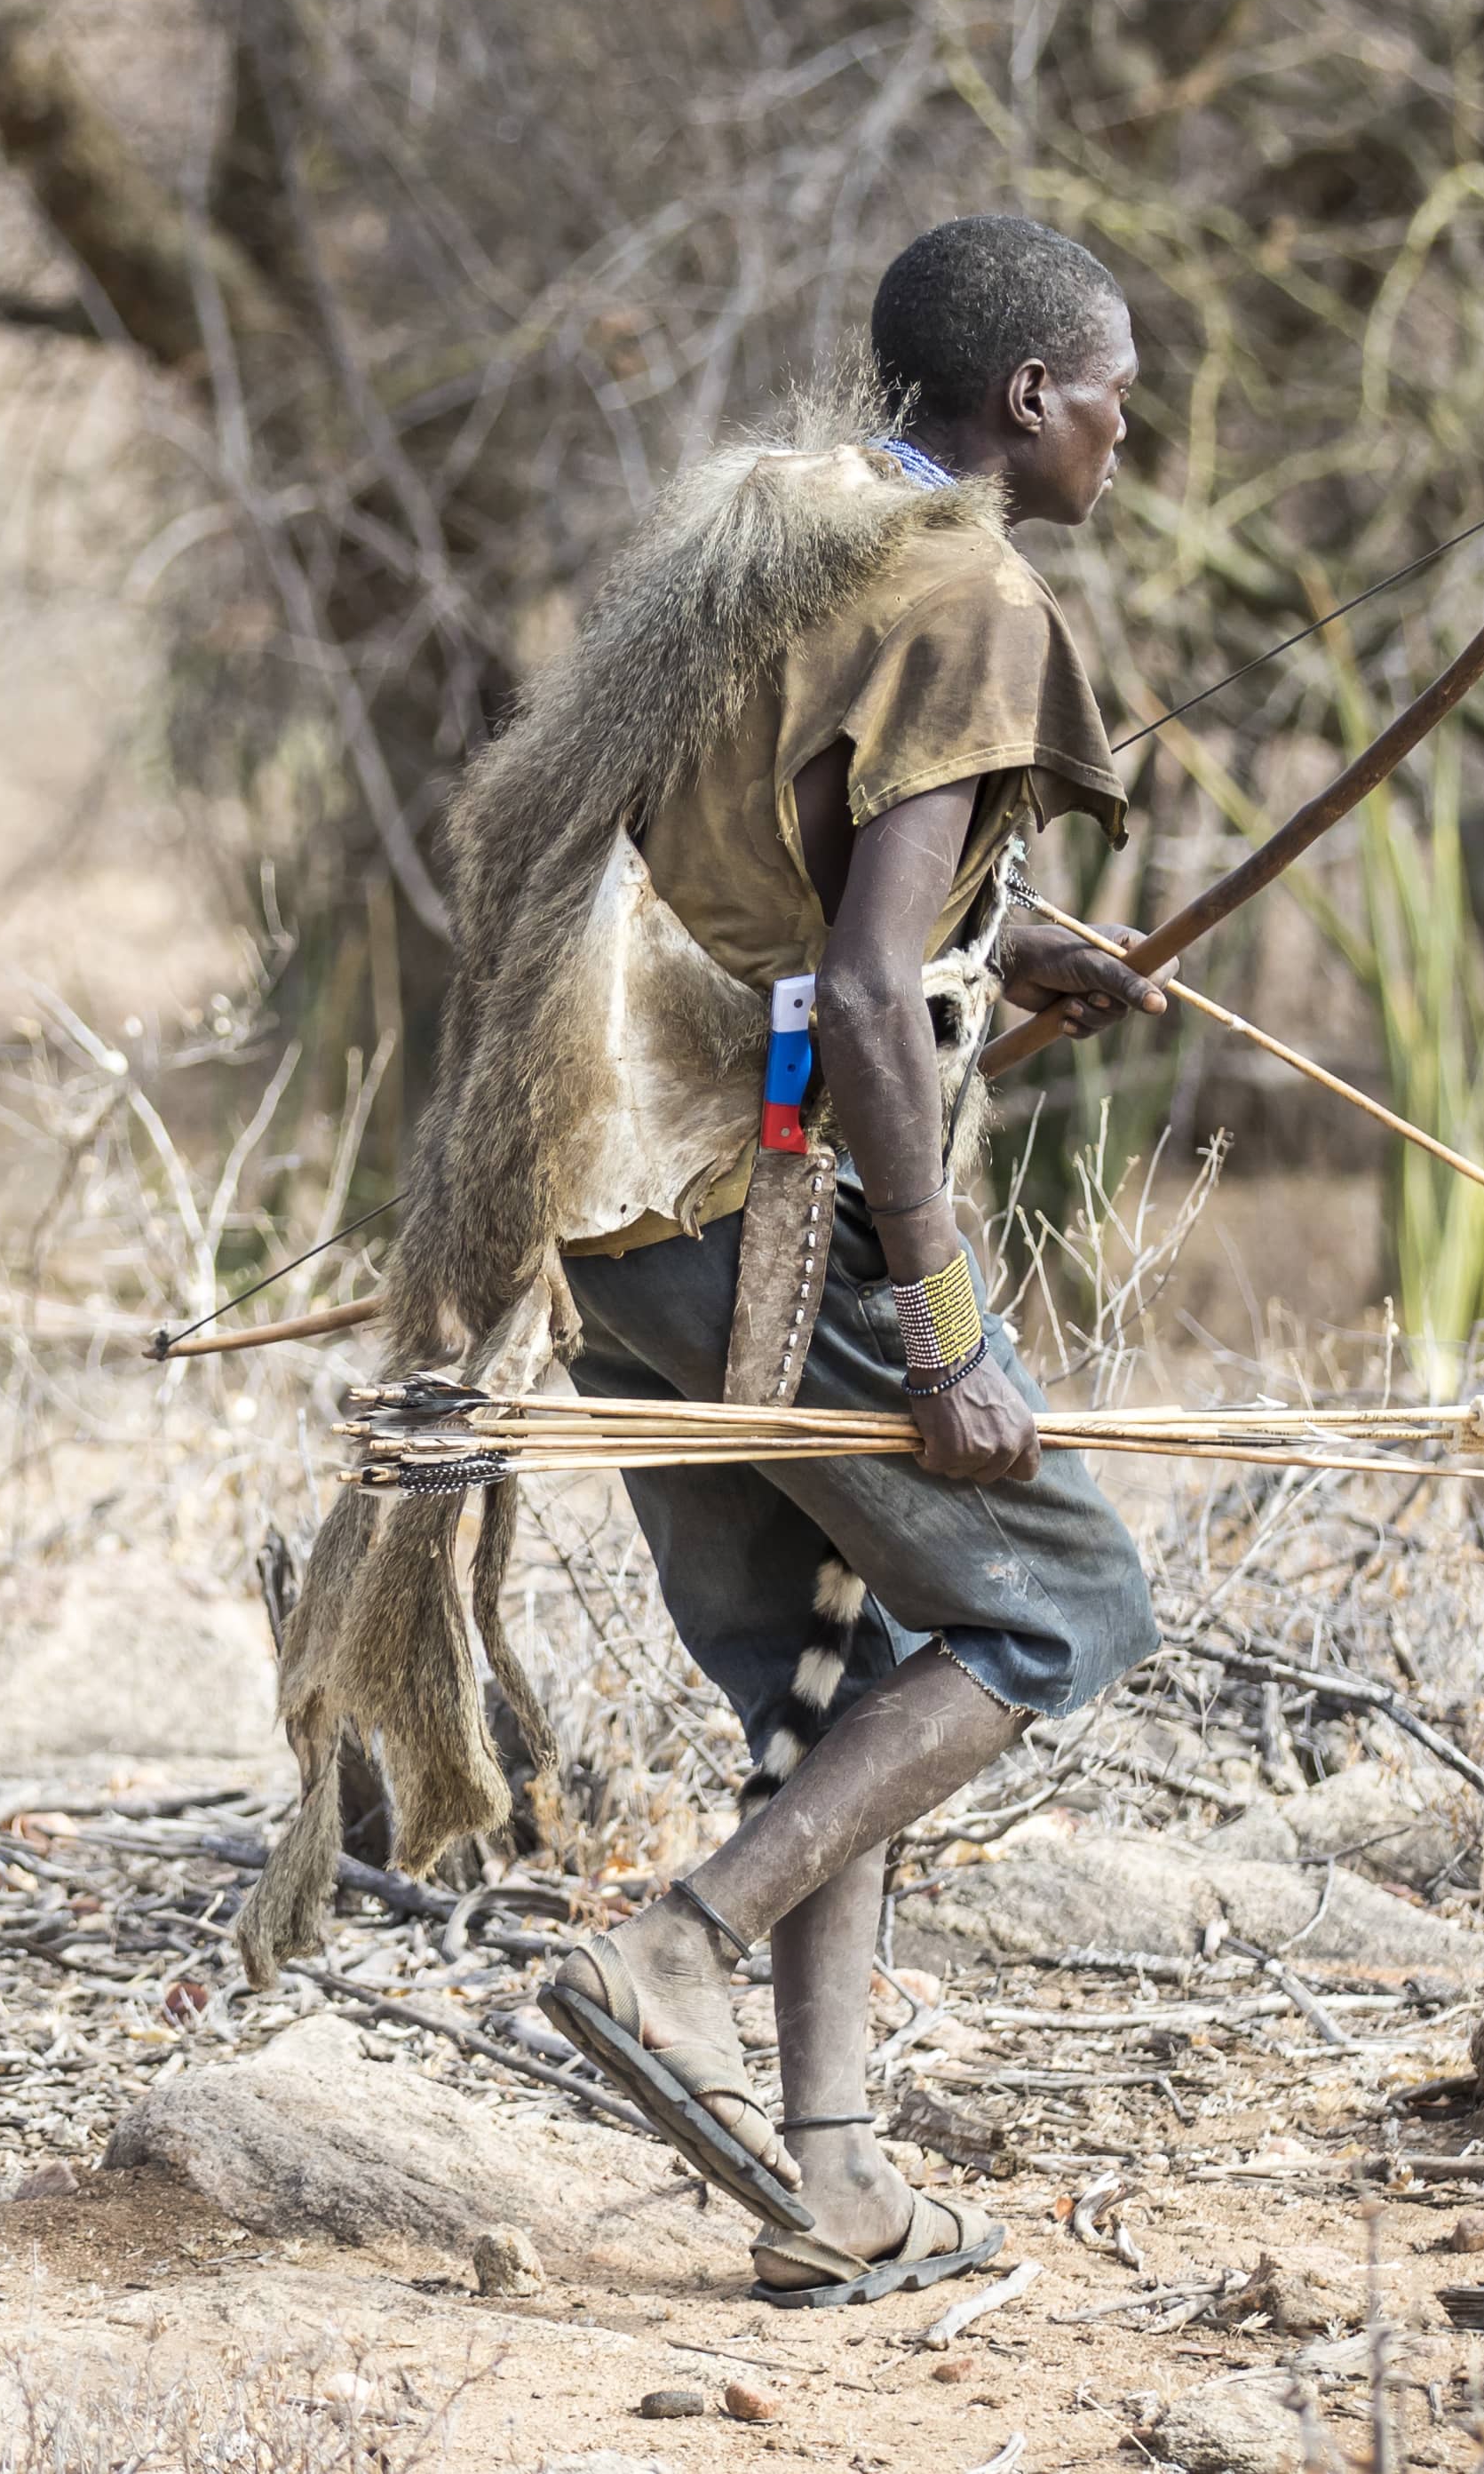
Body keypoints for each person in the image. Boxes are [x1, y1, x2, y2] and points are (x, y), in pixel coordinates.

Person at [527, 213, 1178, 2302]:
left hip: (614, 1194)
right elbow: (862, 991)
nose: (1117, 441)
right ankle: (673, 1946)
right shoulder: (968, 593)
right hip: (771, 1215)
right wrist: (956, 1323)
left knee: (821, 1687)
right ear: (1023, 401)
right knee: (1065, 1602)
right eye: (1108, 402)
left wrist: (1007, 945)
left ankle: (830, 2181)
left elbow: (774, 892)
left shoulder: (771, 533)